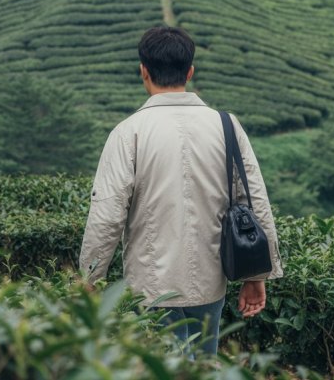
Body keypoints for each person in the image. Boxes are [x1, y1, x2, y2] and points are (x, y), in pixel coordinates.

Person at [78, 26, 283, 357]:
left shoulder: (128, 132)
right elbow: (254, 200)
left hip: (151, 286)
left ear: (143, 70)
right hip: (211, 280)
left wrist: (89, 280)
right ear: (190, 71)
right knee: (202, 365)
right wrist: (257, 274)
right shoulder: (227, 125)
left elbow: (107, 215)